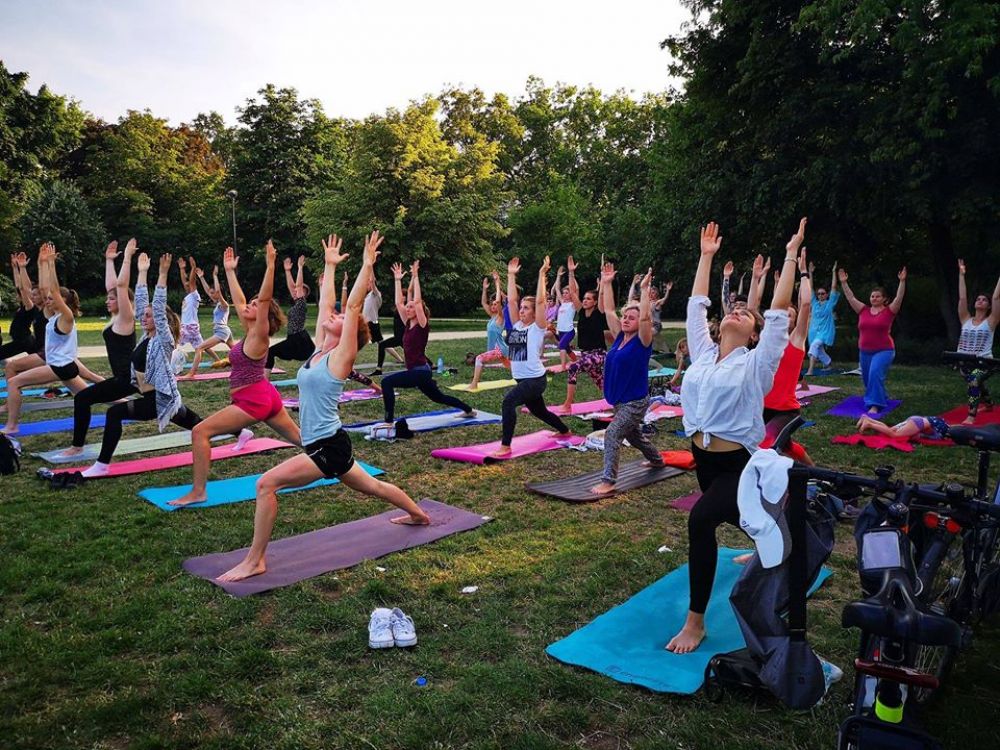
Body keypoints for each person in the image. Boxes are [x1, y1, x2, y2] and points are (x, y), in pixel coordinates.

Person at [216, 231, 430, 582]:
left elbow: (353, 306)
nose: (332, 315)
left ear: (350, 333)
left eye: (340, 318)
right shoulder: (318, 350)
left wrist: (366, 264)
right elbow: (327, 302)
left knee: (266, 485)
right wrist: (329, 267)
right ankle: (418, 515)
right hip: (327, 442)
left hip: (326, 446)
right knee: (373, 487)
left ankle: (255, 560)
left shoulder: (340, 358)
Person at [665, 218, 803, 654]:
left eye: (747, 313)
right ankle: (772, 536)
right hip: (703, 459)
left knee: (701, 519)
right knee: (735, 516)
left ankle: (696, 622)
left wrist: (790, 255)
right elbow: (696, 305)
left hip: (737, 464)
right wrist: (705, 257)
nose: (737, 311)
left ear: (755, 333)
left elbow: (779, 312)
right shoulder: (704, 354)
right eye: (733, 309)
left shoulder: (757, 364)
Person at [168, 242, 299, 507]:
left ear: (264, 315)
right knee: (302, 440)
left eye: (254, 305)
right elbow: (239, 301)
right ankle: (336, 457)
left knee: (200, 432)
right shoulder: (250, 331)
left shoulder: (260, 335)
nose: (248, 305)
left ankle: (198, 491)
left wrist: (271, 265)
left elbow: (262, 300)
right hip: (265, 396)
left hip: (254, 401)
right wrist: (229, 272)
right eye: (249, 304)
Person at [81, 253, 206, 476]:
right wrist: (142, 272)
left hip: (159, 399)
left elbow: (157, 306)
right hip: (158, 397)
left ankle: (101, 465)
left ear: (160, 321)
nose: (144, 318)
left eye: (149, 316)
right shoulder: (146, 337)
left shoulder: (164, 340)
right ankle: (240, 431)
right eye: (144, 316)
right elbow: (141, 303)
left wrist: (163, 273)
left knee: (114, 414)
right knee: (200, 425)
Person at [59, 241, 140, 457]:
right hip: (129, 378)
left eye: (111, 299)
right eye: (107, 298)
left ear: (125, 302)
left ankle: (77, 446)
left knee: (82, 398)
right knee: (173, 409)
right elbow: (113, 287)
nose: (107, 300)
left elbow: (120, 288)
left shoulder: (126, 317)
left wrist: (129, 257)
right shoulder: (115, 319)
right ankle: (235, 431)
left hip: (129, 378)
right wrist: (109, 261)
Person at [589, 265, 665, 495]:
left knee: (613, 433)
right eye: (625, 316)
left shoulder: (643, 340)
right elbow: (609, 310)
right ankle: (657, 460)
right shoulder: (619, 336)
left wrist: (643, 291)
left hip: (635, 401)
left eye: (631, 318)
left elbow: (644, 317)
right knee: (634, 436)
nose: (625, 320)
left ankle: (608, 481)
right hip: (620, 401)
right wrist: (607, 282)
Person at [3, 243, 93, 435]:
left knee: (14, 381)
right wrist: (41, 262)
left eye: (52, 299)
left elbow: (49, 289)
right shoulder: (52, 315)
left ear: (62, 301)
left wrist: (49, 264)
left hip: (58, 365)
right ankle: (126, 402)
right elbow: (40, 289)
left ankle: (12, 425)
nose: (46, 299)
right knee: (89, 392)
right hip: (63, 364)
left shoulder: (64, 316)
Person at [492, 256, 573, 458]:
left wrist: (542, 275)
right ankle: (565, 430)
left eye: (526, 308)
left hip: (535, 380)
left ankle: (505, 446)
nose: (521, 310)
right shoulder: (518, 326)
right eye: (522, 308)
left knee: (508, 402)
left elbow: (540, 300)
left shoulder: (538, 327)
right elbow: (510, 300)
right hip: (523, 378)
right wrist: (510, 276)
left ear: (536, 312)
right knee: (540, 412)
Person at [377, 260, 476, 424]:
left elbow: (417, 301)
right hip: (421, 372)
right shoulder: (408, 324)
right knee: (439, 397)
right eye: (407, 308)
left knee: (386, 382)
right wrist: (397, 280)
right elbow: (397, 303)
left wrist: (415, 276)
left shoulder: (422, 325)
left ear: (419, 310)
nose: (407, 309)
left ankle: (388, 421)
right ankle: (469, 410)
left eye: (411, 307)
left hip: (419, 371)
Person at [838, 265, 907, 415]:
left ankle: (874, 405)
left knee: (875, 373)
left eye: (877, 296)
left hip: (884, 350)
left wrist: (902, 281)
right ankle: (880, 396)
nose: (874, 298)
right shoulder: (863, 310)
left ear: (884, 299)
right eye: (872, 296)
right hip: (865, 351)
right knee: (868, 379)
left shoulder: (890, 311)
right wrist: (844, 282)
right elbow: (851, 297)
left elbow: (899, 297)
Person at [955, 259, 1000, 423]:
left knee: (974, 379)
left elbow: (996, 298)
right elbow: (962, 298)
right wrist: (961, 275)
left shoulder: (992, 320)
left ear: (988, 306)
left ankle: (971, 416)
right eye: (978, 299)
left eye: (984, 300)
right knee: (976, 383)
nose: (980, 301)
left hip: (984, 362)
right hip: (964, 362)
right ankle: (988, 403)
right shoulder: (965, 318)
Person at [558, 266, 609, 412]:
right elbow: (573, 292)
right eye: (584, 298)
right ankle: (619, 402)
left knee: (573, 367)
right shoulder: (580, 312)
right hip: (586, 354)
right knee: (602, 383)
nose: (585, 301)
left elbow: (602, 295)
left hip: (599, 354)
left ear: (594, 301)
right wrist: (571, 272)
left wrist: (604, 279)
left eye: (588, 299)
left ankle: (567, 405)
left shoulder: (599, 313)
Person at [181, 264, 235, 377]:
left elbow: (218, 292)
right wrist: (201, 277)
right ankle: (250, 363)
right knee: (237, 351)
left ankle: (191, 373)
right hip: (225, 331)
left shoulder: (224, 305)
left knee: (199, 348)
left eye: (212, 292)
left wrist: (215, 276)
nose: (210, 294)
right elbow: (207, 290)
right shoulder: (218, 303)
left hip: (222, 331)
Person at [265, 255, 312, 371]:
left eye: (299, 291)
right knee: (271, 352)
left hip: (299, 339)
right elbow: (293, 287)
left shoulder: (301, 304)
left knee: (270, 352)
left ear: (304, 294)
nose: (295, 291)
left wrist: (300, 267)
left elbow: (298, 286)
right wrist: (287, 271)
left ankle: (264, 380)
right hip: (294, 338)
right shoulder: (297, 302)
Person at [466, 271, 510, 391]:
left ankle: (474, 384)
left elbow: (498, 301)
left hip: (499, 349)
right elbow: (483, 303)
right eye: (492, 305)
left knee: (479, 358)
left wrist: (497, 282)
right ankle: (524, 378)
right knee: (510, 366)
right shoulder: (492, 317)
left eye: (496, 304)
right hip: (497, 348)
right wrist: (484, 289)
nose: (493, 306)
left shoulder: (501, 317)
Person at [804, 262, 840, 375]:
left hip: (825, 331)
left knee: (815, 346)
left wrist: (834, 272)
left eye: (822, 294)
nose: (820, 295)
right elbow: (810, 288)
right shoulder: (814, 303)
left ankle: (810, 370)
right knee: (819, 351)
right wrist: (810, 272)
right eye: (818, 294)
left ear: (826, 294)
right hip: (813, 331)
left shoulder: (830, 303)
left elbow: (834, 287)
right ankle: (828, 364)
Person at [176, 256, 216, 359]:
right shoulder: (189, 295)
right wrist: (182, 269)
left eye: (188, 284)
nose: (186, 284)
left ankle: (172, 363)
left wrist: (193, 267)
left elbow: (191, 280)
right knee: (203, 346)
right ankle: (219, 360)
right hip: (190, 327)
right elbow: (185, 280)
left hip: (188, 327)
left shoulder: (194, 295)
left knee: (173, 341)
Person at [856, 414, 951, 442]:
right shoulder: (939, 435)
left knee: (890, 430)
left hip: (917, 420)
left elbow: (917, 435)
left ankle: (867, 418)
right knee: (895, 435)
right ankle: (869, 424)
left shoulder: (944, 426)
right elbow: (917, 436)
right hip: (918, 423)